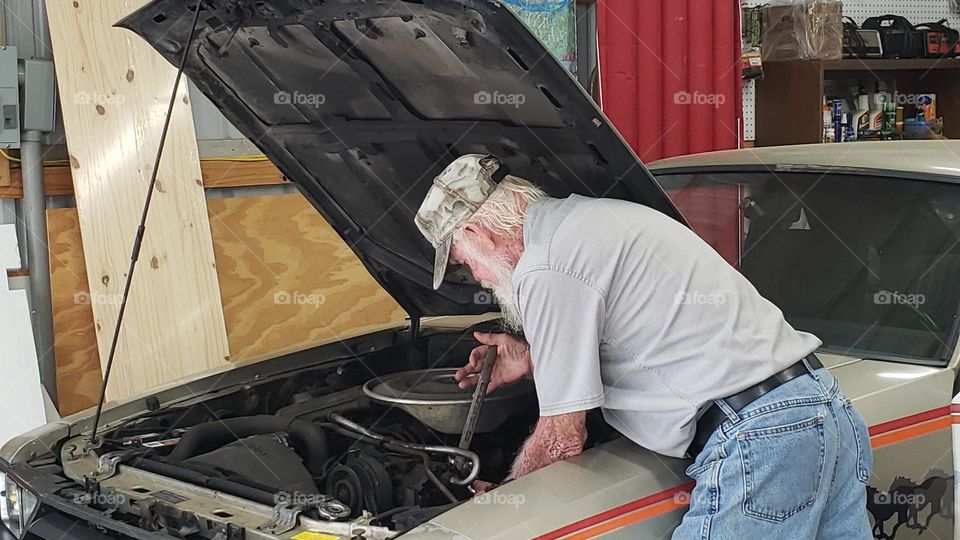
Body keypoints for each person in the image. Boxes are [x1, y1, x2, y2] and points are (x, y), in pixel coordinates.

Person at [413, 154, 873, 538]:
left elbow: (562, 438)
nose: (475, 277)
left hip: (762, 438)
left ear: (476, 235)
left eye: (462, 261)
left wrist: (503, 505)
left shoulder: (546, 267)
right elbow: (646, 331)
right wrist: (533, 358)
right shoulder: (586, 221)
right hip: (821, 408)